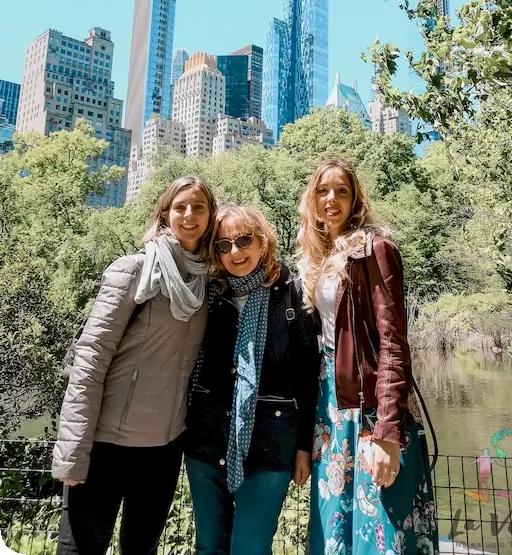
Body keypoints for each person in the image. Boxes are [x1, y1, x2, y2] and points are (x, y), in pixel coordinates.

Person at [52, 175, 218, 555]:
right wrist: (73, 450)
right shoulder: (134, 271)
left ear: (211, 216)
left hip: (164, 448)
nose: (189, 215)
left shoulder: (209, 282)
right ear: (165, 213)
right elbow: (90, 359)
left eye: (199, 207)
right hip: (106, 444)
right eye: (180, 207)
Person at [298, 158, 440, 555]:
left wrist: (388, 434)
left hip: (369, 407)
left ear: (355, 200)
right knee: (334, 528)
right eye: (323, 191)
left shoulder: (375, 251)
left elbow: (393, 344)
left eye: (341, 191)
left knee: (380, 529)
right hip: (330, 409)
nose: (331, 198)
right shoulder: (317, 259)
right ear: (312, 201)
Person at [185, 204, 319, 555]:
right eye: (223, 245)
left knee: (250, 549)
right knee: (208, 548)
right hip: (207, 442)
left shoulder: (291, 293)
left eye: (244, 240)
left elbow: (307, 377)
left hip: (271, 445)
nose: (235, 251)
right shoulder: (208, 295)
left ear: (262, 242)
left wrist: (304, 446)